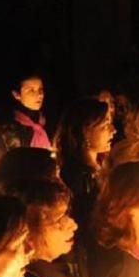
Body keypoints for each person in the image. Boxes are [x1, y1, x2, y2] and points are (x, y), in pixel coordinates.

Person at [54, 98, 115, 231]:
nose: (113, 130)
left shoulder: (102, 167)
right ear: (85, 131)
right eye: (105, 126)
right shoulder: (77, 179)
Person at [3, 72, 53, 150]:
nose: (40, 95)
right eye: (31, 90)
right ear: (16, 94)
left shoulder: (47, 120)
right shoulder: (10, 128)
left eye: (41, 89)